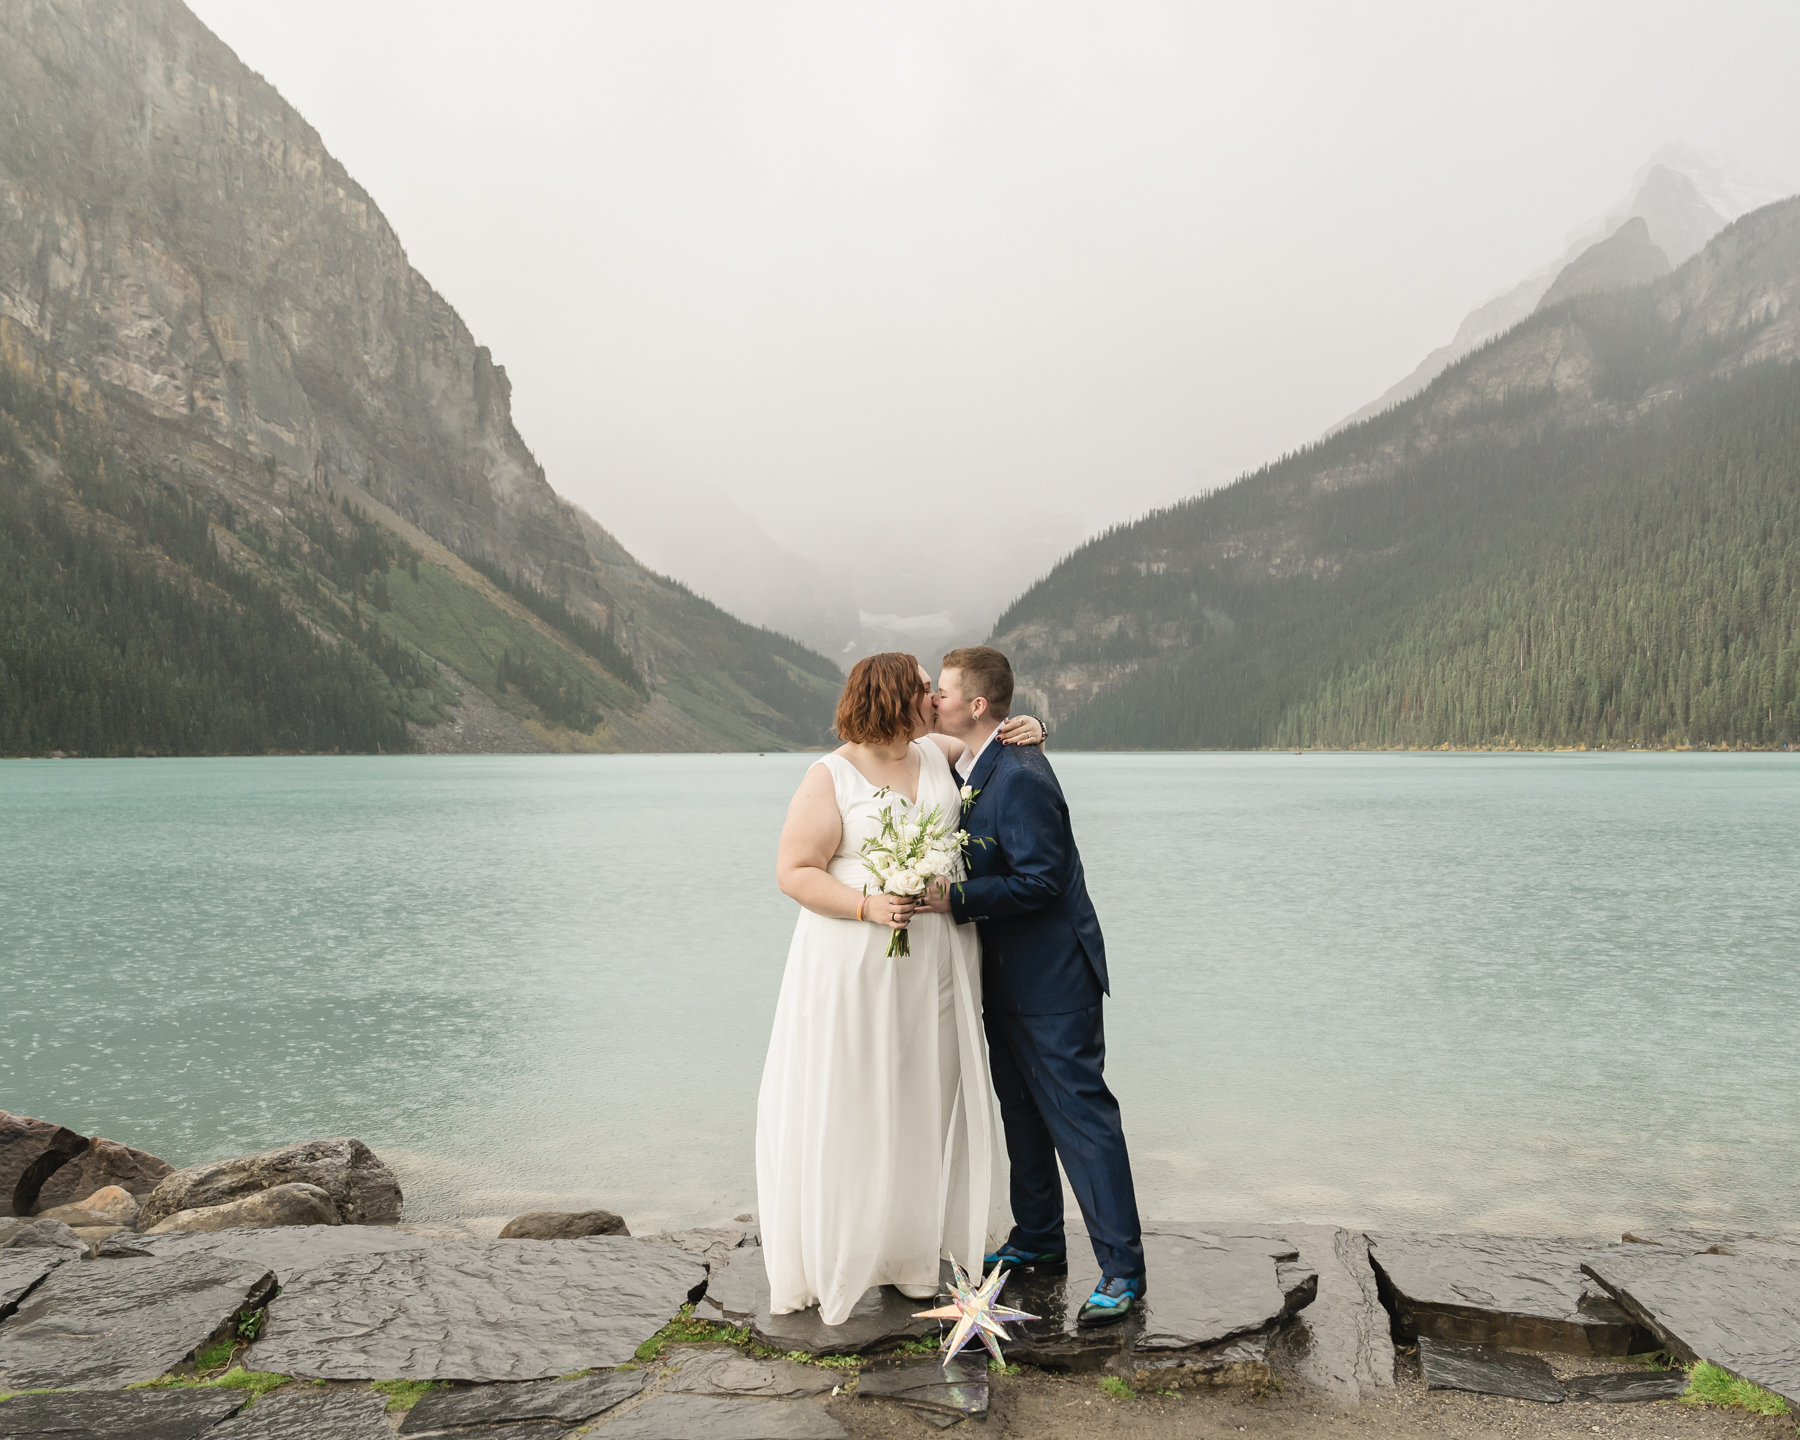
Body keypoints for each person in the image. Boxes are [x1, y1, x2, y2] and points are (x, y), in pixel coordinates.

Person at [756, 652, 1045, 1324]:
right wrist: (867, 906)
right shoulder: (829, 776)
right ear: (892, 697)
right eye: (922, 688)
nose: (932, 697)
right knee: (856, 1098)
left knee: (924, 1094)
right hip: (856, 961)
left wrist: (1028, 726)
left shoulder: (933, 752)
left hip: (937, 965)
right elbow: (794, 871)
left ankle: (911, 1258)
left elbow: (987, 736)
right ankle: (844, 1252)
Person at [917, 645, 1146, 1324]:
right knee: (1021, 1111)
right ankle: (1039, 1238)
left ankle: (1123, 1271)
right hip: (1004, 976)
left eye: (945, 691)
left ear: (978, 705)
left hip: (1053, 978)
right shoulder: (969, 761)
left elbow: (1041, 880)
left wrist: (952, 899)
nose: (935, 701)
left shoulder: (1019, 774)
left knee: (1082, 1118)